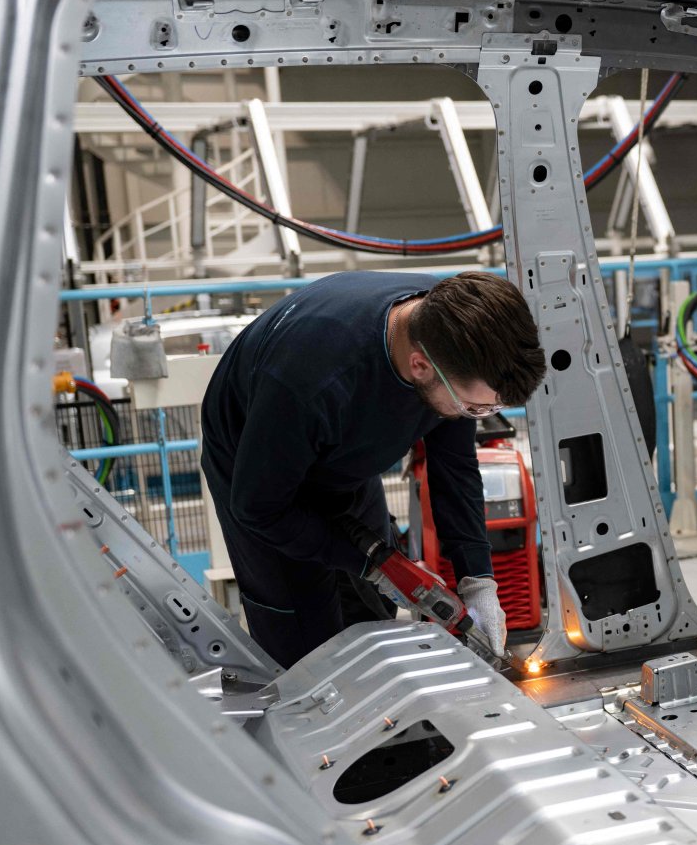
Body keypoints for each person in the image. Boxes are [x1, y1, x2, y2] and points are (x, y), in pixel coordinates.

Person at [201, 270, 546, 668]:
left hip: (339, 451)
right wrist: (369, 562)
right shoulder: (313, 379)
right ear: (419, 366)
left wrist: (477, 578)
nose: (478, 416)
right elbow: (259, 507)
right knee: (306, 641)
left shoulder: (451, 329)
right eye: (475, 408)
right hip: (259, 473)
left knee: (373, 606)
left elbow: (454, 467)